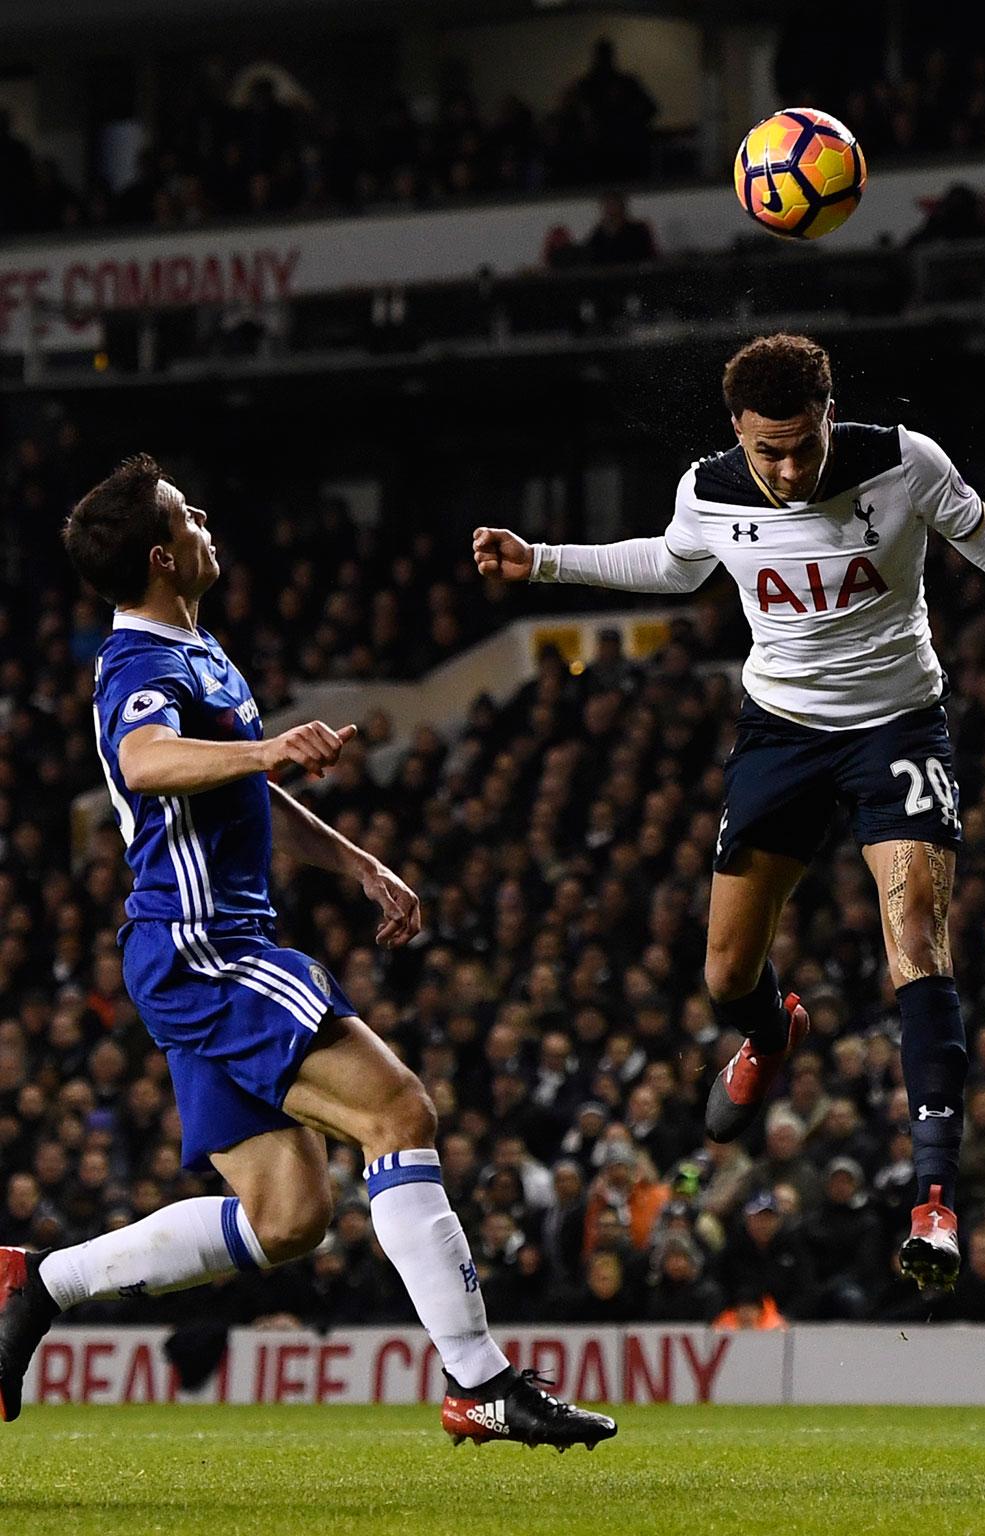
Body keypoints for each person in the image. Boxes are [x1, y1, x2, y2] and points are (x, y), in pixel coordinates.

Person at [473, 333, 985, 1293]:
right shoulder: (713, 489)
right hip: (779, 733)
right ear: (737, 432)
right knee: (726, 975)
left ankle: (935, 1203)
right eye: (767, 450)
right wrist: (542, 562)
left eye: (802, 447)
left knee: (916, 940)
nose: (786, 470)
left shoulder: (904, 464)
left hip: (898, 727)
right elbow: (671, 564)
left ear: (830, 414)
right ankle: (772, 1034)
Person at [0, 456, 614, 1449]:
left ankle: (39, 1281)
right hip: (202, 946)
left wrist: (355, 861)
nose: (204, 518)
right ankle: (479, 1381)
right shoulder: (139, 667)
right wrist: (268, 747)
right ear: (163, 556)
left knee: (287, 1219)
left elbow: (244, 793)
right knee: (398, 1108)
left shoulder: (196, 649)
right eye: (184, 514)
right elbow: (146, 764)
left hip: (204, 945)